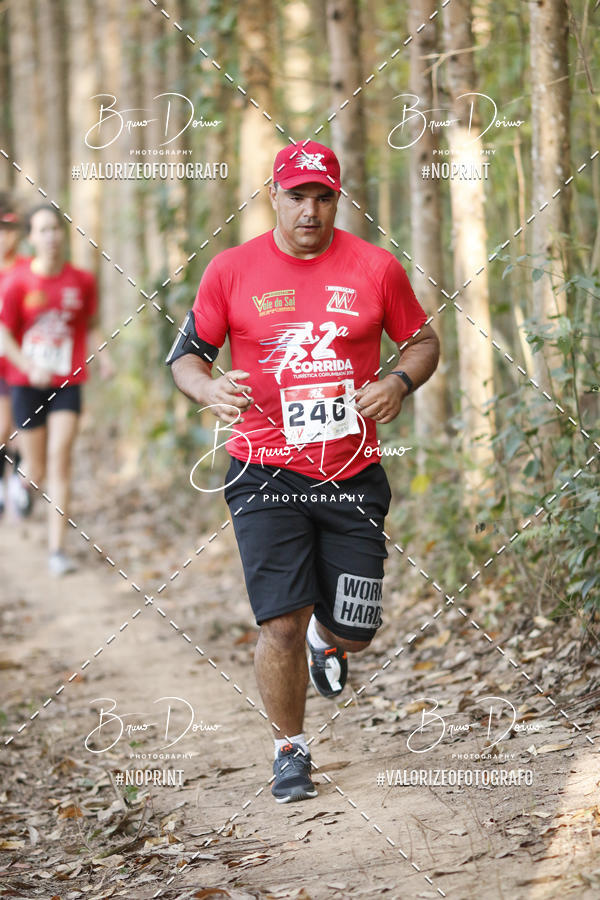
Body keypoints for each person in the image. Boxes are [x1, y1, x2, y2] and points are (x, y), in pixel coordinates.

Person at [168, 140, 439, 803]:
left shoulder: (377, 268)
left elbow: (424, 341)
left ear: (337, 200)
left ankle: (330, 639)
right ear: (273, 197)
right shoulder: (231, 270)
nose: (310, 211)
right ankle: (290, 748)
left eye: (323, 198)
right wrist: (208, 391)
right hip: (263, 469)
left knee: (357, 629)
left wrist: (400, 382)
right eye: (297, 197)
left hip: (352, 472)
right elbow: (186, 358)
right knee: (279, 624)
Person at [0, 203, 111, 575]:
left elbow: (90, 323)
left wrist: (103, 355)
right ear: (31, 238)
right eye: (43, 230)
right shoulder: (17, 283)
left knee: (60, 458)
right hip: (26, 384)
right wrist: (28, 365)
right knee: (37, 470)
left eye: (56, 229)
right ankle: (22, 482)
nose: (51, 237)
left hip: (68, 381)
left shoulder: (81, 280)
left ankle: (56, 550)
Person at [0, 195, 30, 518]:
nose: (4, 236)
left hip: (21, 362)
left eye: (9, 229)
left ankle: (18, 482)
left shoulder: (26, 269)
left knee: (19, 431)